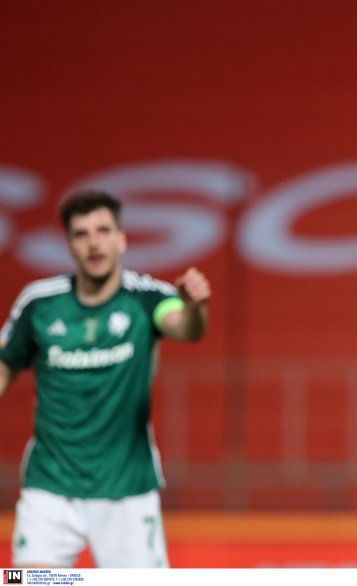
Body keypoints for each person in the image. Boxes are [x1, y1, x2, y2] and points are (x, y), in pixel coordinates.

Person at [0, 189, 211, 568]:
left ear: (122, 238)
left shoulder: (146, 298)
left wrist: (194, 306)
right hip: (51, 488)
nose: (94, 243)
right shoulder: (39, 303)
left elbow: (186, 328)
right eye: (81, 234)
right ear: (69, 244)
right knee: (30, 582)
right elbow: (4, 368)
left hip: (126, 490)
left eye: (103, 231)